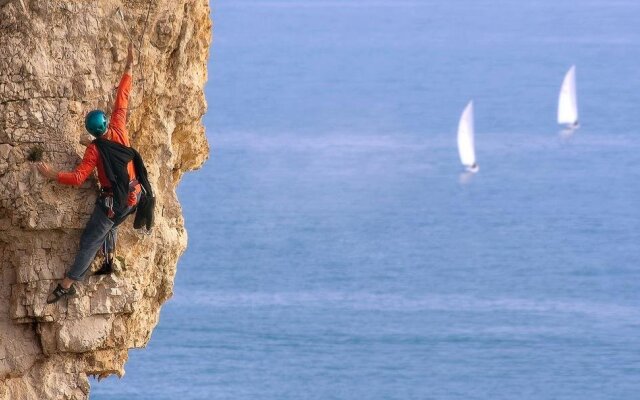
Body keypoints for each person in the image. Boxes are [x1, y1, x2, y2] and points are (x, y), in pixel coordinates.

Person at [37, 43, 142, 304]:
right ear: (107, 123)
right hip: (134, 196)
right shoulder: (119, 129)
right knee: (113, 224)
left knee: (89, 242)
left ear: (91, 132)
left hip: (113, 203)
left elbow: (77, 178)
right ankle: (109, 260)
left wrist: (52, 175)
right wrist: (129, 65)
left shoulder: (94, 151)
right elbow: (122, 97)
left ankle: (67, 284)